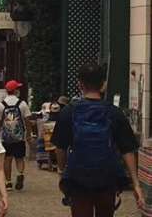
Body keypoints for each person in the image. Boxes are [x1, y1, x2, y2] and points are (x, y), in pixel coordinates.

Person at [52, 62, 144, 217]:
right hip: (107, 176)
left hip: (78, 177)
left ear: (80, 84)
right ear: (103, 85)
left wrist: (62, 171)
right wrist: (136, 184)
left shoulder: (68, 112)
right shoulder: (114, 113)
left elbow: (60, 147)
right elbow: (127, 149)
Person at [0, 79, 32, 191]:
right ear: (15, 90)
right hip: (19, 136)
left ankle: (8, 182)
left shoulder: (1, 105)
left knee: (7, 159)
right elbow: (27, 120)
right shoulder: (22, 104)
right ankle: (20, 173)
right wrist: (28, 134)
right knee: (19, 158)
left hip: (5, 137)